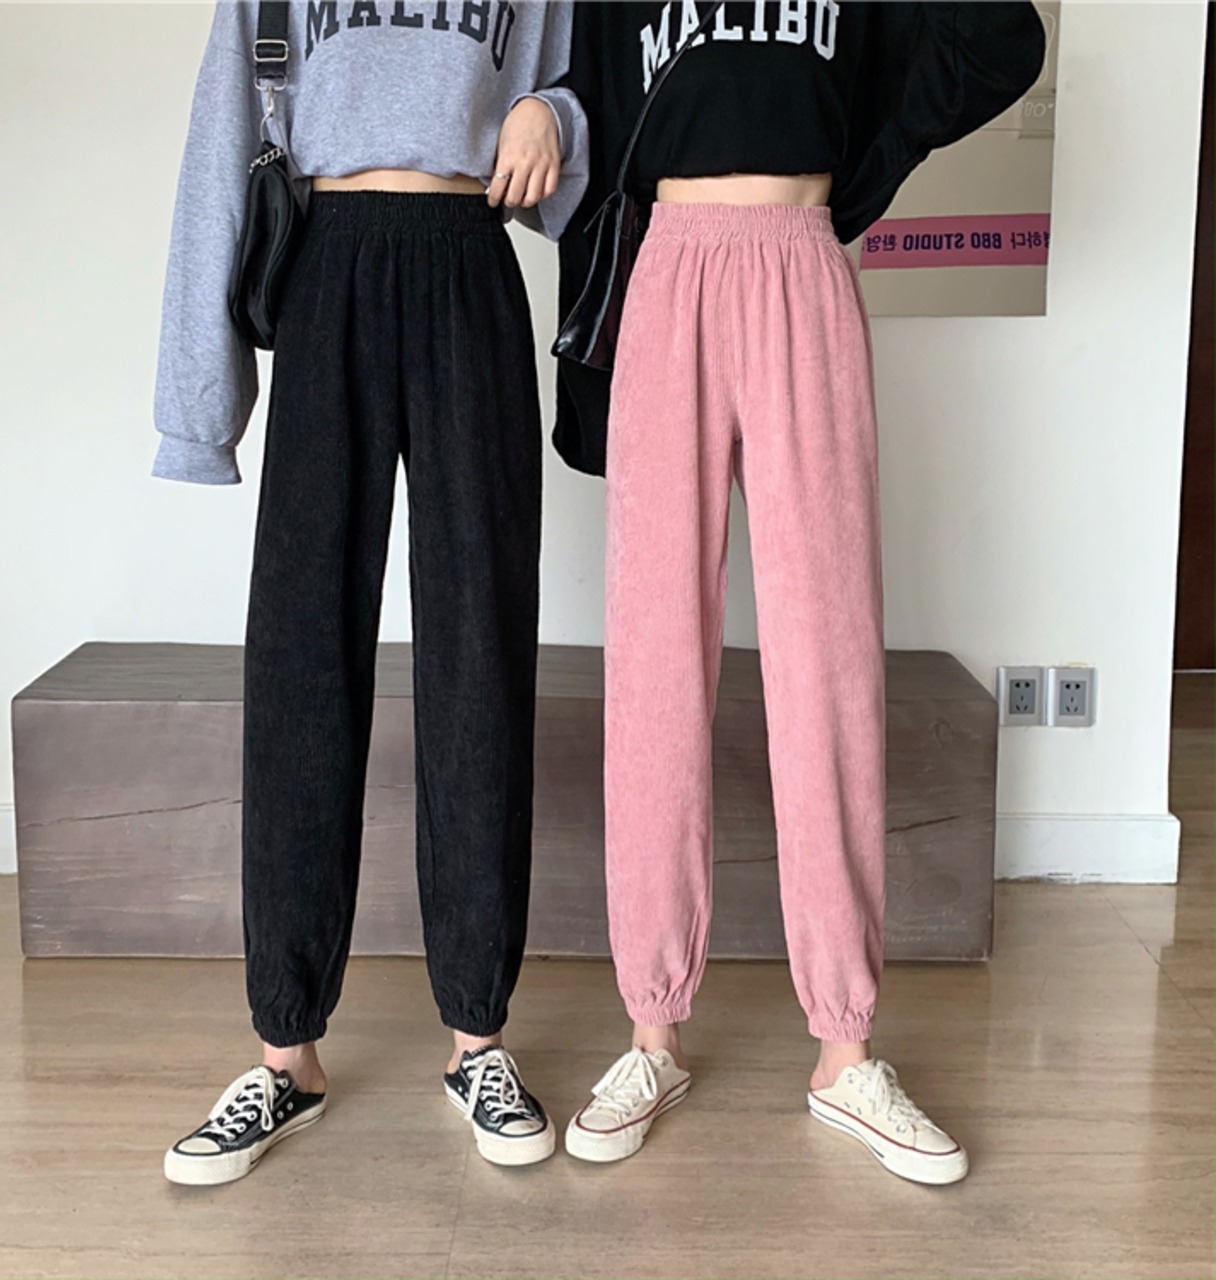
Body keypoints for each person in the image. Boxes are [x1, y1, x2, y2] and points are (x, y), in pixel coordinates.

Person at [554, 0, 1044, 1183]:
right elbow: (596, 138)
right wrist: (580, 385)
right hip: (668, 274)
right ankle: (651, 1030)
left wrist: (865, 175)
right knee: (654, 662)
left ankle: (844, 1046)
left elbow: (1001, 37)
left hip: (801, 268)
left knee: (826, 658)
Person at [153, 0, 587, 1184]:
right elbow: (222, 146)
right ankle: (285, 1051)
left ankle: (476, 1036)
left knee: (478, 653)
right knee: (300, 660)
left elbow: (580, 120)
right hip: (326, 267)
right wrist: (197, 414)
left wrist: (554, 115)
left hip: (468, 267)